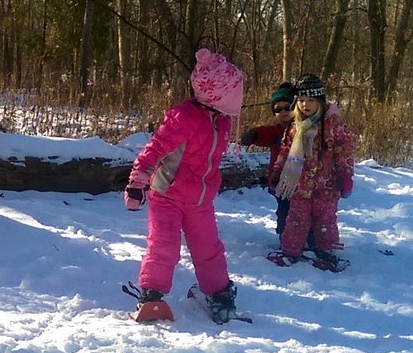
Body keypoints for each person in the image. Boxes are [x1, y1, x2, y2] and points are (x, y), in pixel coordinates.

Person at [124, 49, 242, 324]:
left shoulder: (220, 120)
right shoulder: (184, 117)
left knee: (208, 248)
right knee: (163, 246)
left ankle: (218, 292)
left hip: (200, 200)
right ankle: (151, 294)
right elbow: (155, 148)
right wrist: (137, 182)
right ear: (217, 93)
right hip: (167, 195)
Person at [268, 73, 354, 269]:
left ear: (320, 102)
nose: (305, 105)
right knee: (296, 219)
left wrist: (346, 175)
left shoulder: (333, 124)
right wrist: (277, 171)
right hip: (300, 184)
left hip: (326, 186)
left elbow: (344, 151)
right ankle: (290, 252)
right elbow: (285, 151)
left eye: (311, 100)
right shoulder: (294, 126)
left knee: (325, 221)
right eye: (301, 100)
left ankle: (327, 254)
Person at [239, 81, 297, 238]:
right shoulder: (276, 132)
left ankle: (309, 239)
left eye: (288, 107)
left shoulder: (305, 129)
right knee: (284, 211)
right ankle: (285, 237)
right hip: (281, 182)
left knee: (304, 212)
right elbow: (264, 132)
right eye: (278, 109)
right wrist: (253, 135)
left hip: (302, 182)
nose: (284, 112)